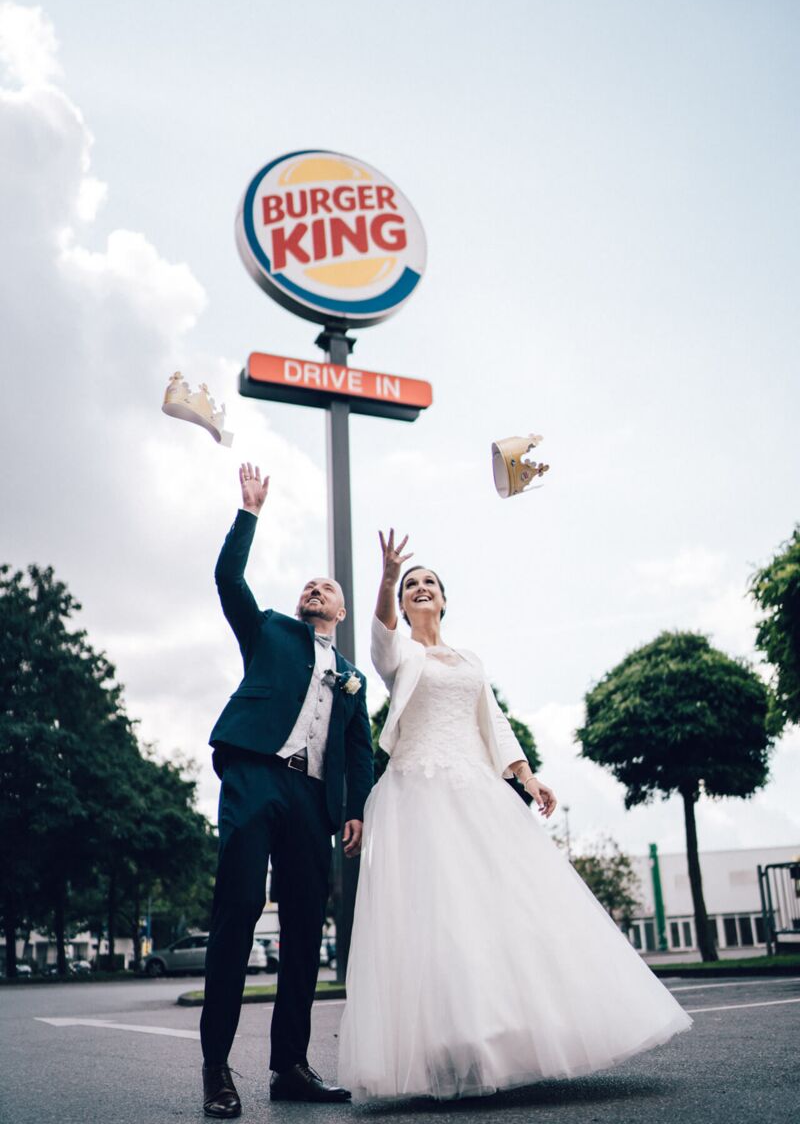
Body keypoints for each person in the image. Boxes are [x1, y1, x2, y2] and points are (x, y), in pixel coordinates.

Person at [338, 530, 691, 1101]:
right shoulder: (401, 654)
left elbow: (493, 722)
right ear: (403, 604)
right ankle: (444, 1047)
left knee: (499, 907)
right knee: (437, 916)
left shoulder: (472, 660)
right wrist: (385, 573)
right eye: (411, 587)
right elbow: (379, 637)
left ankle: (504, 1036)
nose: (420, 589)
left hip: (477, 787)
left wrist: (526, 776)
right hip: (418, 793)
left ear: (446, 601)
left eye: (429, 583)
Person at [200, 464, 373, 1117]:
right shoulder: (270, 628)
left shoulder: (354, 676)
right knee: (239, 908)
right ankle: (217, 1068)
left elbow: (358, 750)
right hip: (253, 773)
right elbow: (227, 581)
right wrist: (248, 514)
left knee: (304, 927)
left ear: (342, 609)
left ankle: (290, 1067)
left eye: (327, 586)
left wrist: (355, 811)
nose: (315, 588)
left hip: (313, 801)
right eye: (310, 583)